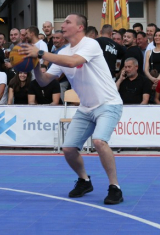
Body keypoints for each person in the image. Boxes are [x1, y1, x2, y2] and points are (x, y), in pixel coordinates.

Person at [19, 13, 124, 205]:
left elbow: (73, 62)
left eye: (68, 22)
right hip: (86, 108)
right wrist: (33, 65)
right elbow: (43, 81)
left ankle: (114, 187)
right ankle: (84, 180)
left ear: (80, 27)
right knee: (68, 149)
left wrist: (40, 53)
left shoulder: (91, 44)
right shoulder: (62, 53)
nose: (63, 25)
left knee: (99, 141)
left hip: (108, 103)